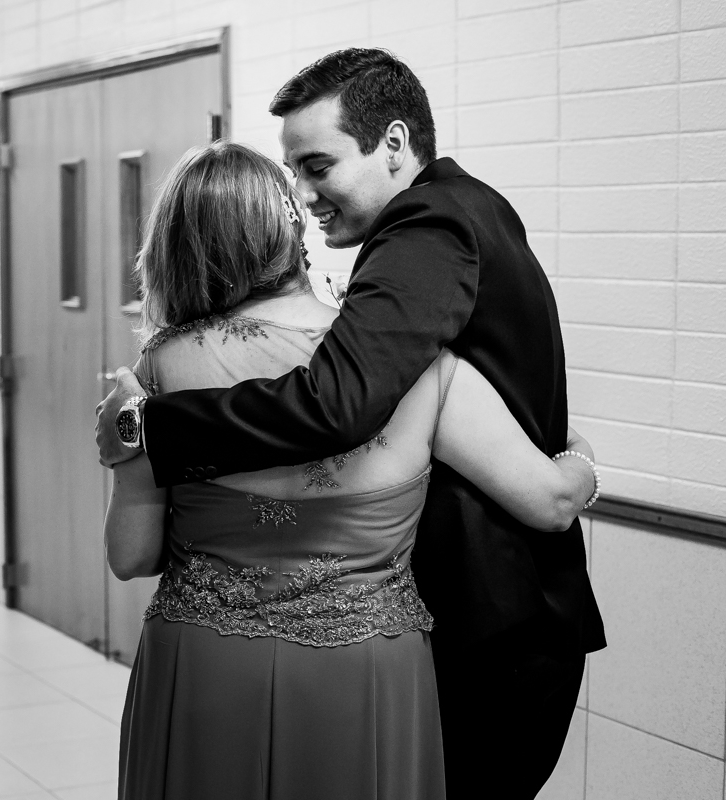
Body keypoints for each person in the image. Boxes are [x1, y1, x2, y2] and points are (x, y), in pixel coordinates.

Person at [97, 49, 605, 800]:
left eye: (319, 164)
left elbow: (134, 553)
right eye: (293, 175)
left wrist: (148, 430)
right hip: (372, 663)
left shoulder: (156, 375)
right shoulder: (431, 352)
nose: (306, 194)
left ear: (393, 144)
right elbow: (548, 496)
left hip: (254, 655)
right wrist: (587, 464)